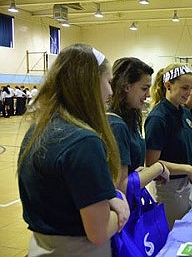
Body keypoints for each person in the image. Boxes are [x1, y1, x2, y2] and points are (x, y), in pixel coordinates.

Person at [17, 43, 130, 256]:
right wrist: (122, 209)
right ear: (90, 84)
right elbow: (98, 231)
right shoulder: (83, 141)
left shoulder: (38, 129)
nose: (111, 92)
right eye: (108, 82)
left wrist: (108, 196)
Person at [144, 63, 192, 229]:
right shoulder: (158, 118)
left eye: (190, 88)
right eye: (185, 88)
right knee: (175, 237)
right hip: (169, 189)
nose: (189, 93)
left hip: (189, 184)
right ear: (168, 85)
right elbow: (151, 164)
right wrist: (186, 169)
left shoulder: (184, 112)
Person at [108, 57, 170, 194]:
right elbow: (121, 187)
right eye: (144, 88)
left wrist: (142, 171)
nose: (148, 95)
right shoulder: (116, 125)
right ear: (126, 86)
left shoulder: (129, 119)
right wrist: (158, 168)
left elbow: (129, 169)